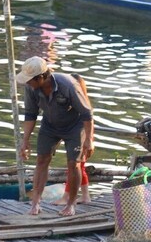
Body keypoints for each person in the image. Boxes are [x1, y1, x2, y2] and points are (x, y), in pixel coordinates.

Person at [16, 56, 94, 216]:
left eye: (30, 80)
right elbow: (30, 114)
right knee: (41, 160)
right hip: (50, 124)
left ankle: (71, 204)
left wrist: (89, 140)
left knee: (74, 164)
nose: (28, 83)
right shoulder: (31, 88)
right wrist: (25, 140)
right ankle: (35, 203)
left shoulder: (67, 85)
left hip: (75, 125)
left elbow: (87, 114)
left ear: (40, 78)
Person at [55, 74, 92, 205]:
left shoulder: (80, 106)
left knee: (74, 168)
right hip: (83, 137)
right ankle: (86, 195)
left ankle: (66, 196)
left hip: (81, 138)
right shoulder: (82, 104)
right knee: (80, 167)